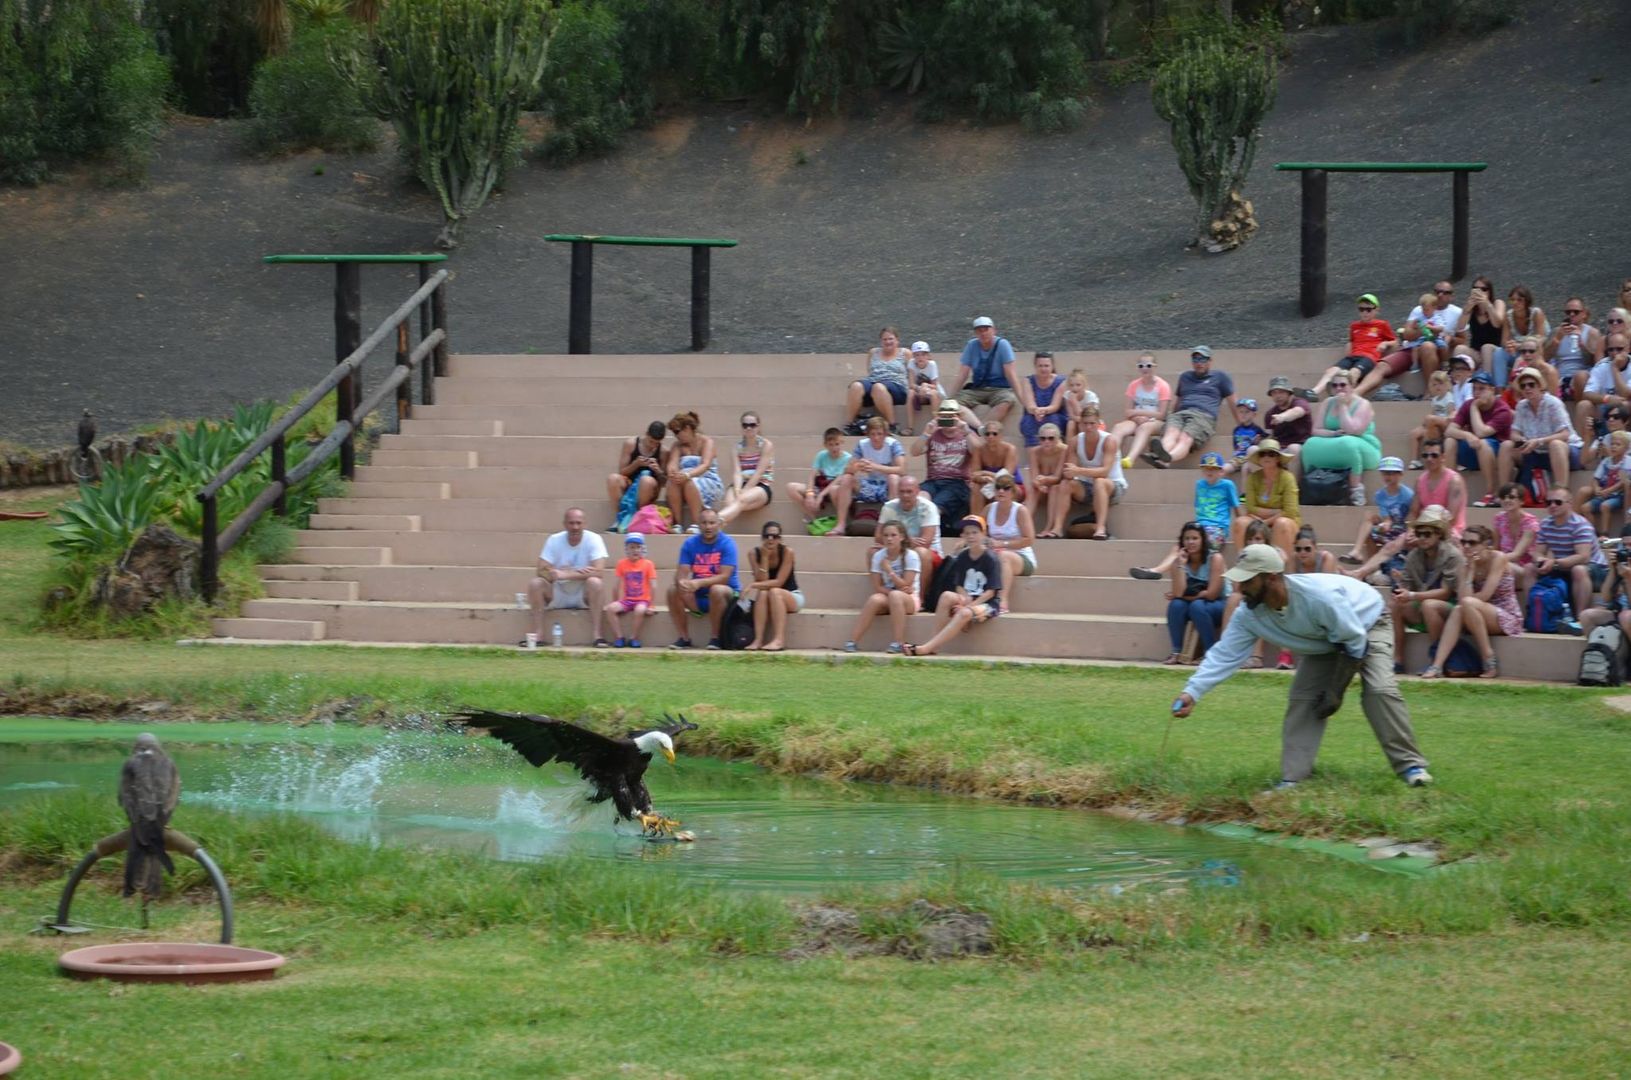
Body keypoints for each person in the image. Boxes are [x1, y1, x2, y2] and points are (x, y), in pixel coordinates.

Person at [1171, 544, 1433, 790]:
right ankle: (1293, 780)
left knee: (1379, 690)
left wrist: (1335, 692)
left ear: (1272, 577)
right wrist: (1191, 692)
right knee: (1303, 698)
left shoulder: (1318, 598)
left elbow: (1355, 644)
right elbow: (1225, 654)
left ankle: (1411, 767)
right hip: (1325, 638)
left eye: (1248, 580)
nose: (1241, 587)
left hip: (1367, 623)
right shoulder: (1248, 613)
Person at [1419, 524, 1520, 679]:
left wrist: (1467, 600)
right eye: (1463, 542)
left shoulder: (1498, 558)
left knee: (1465, 604)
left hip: (1505, 614)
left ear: (1486, 544)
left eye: (1472, 543)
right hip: (1472, 610)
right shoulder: (1465, 565)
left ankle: (1488, 657)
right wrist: (1470, 572)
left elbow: (1485, 595)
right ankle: (1438, 664)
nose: (1466, 546)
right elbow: (1461, 601)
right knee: (1431, 605)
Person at [902, 515, 1002, 657]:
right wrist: (964, 598)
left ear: (983, 534)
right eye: (967, 533)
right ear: (962, 535)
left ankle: (926, 648)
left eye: (975, 532)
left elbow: (991, 592)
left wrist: (969, 606)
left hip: (987, 603)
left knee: (964, 613)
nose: (971, 536)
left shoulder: (991, 558)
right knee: (946, 596)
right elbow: (959, 585)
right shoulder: (962, 556)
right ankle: (935, 644)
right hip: (969, 598)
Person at [1130, 451, 1238, 580]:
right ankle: (1156, 571)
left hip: (1217, 528)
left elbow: (1236, 506)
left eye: (1214, 468)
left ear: (1221, 471)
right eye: (1206, 468)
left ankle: (1224, 581)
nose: (1210, 471)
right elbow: (1199, 508)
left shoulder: (1227, 485)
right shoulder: (1200, 484)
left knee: (1202, 547)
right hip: (1200, 527)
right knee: (1179, 545)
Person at [526, 506, 608, 648]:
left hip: (583, 593)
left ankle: (597, 636)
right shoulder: (554, 540)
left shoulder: (594, 539)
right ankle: (538, 635)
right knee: (535, 584)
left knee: (596, 583)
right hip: (558, 591)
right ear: (564, 524)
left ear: (585, 524)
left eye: (578, 523)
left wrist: (565, 574)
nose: (575, 527)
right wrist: (554, 573)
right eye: (571, 523)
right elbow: (540, 569)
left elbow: (599, 572)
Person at [1143, 346, 1235, 469]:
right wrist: (1169, 418)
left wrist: (1242, 424)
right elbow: (1178, 401)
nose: (1199, 363)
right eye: (1195, 359)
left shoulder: (1220, 377)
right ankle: (1161, 456)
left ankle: (1167, 458)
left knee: (1185, 437)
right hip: (1181, 413)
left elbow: (1233, 402)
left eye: (1202, 359)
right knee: (1171, 432)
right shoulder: (1185, 377)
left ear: (1210, 361)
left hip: (1203, 415)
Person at [1300, 374, 1381, 507]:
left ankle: (1355, 489)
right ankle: (1312, 484)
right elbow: (1316, 430)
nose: (1339, 388)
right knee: (1309, 444)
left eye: (1343, 385)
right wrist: (1333, 433)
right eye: (1335, 385)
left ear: (1352, 386)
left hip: (1364, 444)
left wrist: (1342, 406)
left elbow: (1353, 430)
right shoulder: (1327, 403)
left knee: (1348, 443)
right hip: (1336, 440)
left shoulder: (1363, 404)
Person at [1533, 486, 1609, 628]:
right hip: (1564, 566)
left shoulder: (1581, 524)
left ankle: (1579, 620)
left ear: (1570, 503)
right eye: (1548, 502)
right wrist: (1540, 560)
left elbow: (1584, 557)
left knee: (1579, 570)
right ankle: (1535, 615)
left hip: (1597, 570)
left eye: (1558, 502)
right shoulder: (1545, 524)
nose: (1552, 505)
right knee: (1529, 569)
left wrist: (1554, 562)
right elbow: (1538, 552)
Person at [666, 508, 739, 650]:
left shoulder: (728, 543)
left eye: (712, 523)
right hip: (698, 596)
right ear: (698, 525)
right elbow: (682, 571)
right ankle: (684, 638)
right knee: (672, 590)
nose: (708, 527)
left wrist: (698, 583)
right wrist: (681, 582)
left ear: (719, 524)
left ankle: (716, 638)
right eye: (704, 523)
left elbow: (725, 577)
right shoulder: (690, 544)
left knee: (716, 590)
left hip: (726, 594)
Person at [1499, 369, 1582, 494]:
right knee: (1506, 445)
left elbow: (1565, 434)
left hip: (1568, 451)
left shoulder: (1553, 403)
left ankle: (1561, 493)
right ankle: (1504, 493)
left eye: (1531, 384)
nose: (1527, 388)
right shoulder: (1521, 406)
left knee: (1556, 444)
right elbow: (1514, 433)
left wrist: (1539, 441)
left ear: (1540, 386)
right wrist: (1521, 441)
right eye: (1523, 386)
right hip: (1536, 453)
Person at [844, 521, 921, 654]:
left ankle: (899, 642)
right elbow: (878, 586)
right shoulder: (879, 556)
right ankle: (853, 641)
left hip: (909, 599)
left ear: (902, 537)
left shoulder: (911, 556)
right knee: (875, 599)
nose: (889, 539)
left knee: (896, 596)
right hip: (889, 594)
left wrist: (889, 571)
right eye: (886, 535)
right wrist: (892, 592)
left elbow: (907, 585)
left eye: (893, 535)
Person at [1053, 404, 1124, 541]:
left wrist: (1078, 470)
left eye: (1092, 423)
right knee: (1065, 484)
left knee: (1100, 482)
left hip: (1113, 486)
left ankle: (1100, 528)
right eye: (1085, 424)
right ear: (1080, 424)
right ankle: (1057, 528)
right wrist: (1069, 472)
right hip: (1088, 486)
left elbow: (1104, 471)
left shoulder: (1109, 441)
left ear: (1099, 423)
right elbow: (1070, 472)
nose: (1089, 427)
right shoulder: (1075, 441)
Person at [1162, 521, 1228, 665]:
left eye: (1195, 538)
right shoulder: (1178, 562)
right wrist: (1181, 565)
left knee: (1196, 606)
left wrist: (1189, 596)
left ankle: (1210, 653)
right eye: (1187, 538)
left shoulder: (1215, 558)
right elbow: (1178, 595)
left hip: (1220, 605)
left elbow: (1212, 594)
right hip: (1197, 604)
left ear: (1203, 540)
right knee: (1176, 605)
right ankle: (1176, 652)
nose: (1191, 542)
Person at [1311, 292, 1399, 398]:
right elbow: (1352, 342)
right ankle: (1314, 392)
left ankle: (1346, 395)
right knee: (1332, 371)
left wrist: (1385, 343)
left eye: (1368, 309)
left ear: (1376, 310)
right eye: (1361, 309)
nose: (1365, 313)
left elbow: (1395, 341)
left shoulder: (1381, 325)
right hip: (1353, 356)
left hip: (1369, 356)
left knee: (1354, 372)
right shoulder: (1354, 326)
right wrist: (1348, 352)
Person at [914, 400, 983, 533]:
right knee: (920, 500)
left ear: (959, 417)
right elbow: (914, 451)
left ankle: (928, 538)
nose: (948, 420)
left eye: (952, 416)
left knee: (934, 507)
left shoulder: (966, 433)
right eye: (944, 416)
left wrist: (966, 431)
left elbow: (978, 451)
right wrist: (926, 434)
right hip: (932, 481)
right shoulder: (933, 433)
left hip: (957, 482)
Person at [876, 475, 943, 602]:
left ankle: (919, 598)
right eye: (902, 491)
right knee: (873, 551)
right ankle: (884, 593)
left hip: (930, 553)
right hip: (899, 549)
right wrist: (908, 541)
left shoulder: (928, 507)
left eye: (909, 491)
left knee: (920, 552)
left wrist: (900, 541)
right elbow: (878, 537)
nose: (905, 495)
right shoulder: (889, 507)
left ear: (917, 491)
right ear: (897, 492)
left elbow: (925, 542)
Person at [1451, 374, 1514, 506]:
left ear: (1492, 390)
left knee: (1483, 443)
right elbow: (1449, 430)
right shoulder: (1467, 404)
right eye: (1474, 389)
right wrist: (1467, 435)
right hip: (1473, 450)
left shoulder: (1502, 409)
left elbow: (1482, 433)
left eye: (1482, 389)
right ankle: (1449, 489)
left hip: (1495, 453)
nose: (1477, 393)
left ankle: (1490, 492)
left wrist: (1474, 408)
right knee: (1449, 441)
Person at [1341, 456, 1413, 568]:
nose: (1388, 476)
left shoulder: (1408, 495)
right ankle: (1358, 552)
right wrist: (1384, 524)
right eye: (1385, 473)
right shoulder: (1380, 495)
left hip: (1403, 529)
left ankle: (1372, 565)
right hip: (1390, 527)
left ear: (1400, 474)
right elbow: (1386, 518)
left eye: (1392, 473)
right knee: (1368, 519)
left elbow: (1411, 517)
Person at [1231, 439, 1299, 556]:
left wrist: (1266, 522)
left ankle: (1282, 569)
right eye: (1263, 454)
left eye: (1271, 454)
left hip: (1283, 522)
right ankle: (1244, 564)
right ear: (1259, 459)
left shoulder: (1288, 478)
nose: (1266, 457)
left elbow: (1290, 511)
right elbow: (1250, 507)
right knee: (1240, 522)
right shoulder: (1253, 478)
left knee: (1281, 523)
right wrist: (1276, 511)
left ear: (1277, 458)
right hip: (1257, 519)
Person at [951, 316, 1020, 424]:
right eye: (979, 330)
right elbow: (962, 375)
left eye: (986, 329)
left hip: (999, 389)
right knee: (954, 404)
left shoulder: (1003, 344)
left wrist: (1021, 397)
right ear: (975, 333)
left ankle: (986, 427)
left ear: (994, 330)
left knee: (1008, 399)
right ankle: (980, 428)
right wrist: (949, 398)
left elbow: (1010, 374)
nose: (983, 333)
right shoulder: (971, 345)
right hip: (978, 388)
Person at [744, 521, 800, 652]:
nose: (770, 539)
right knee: (763, 593)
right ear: (762, 537)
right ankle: (758, 640)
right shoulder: (753, 553)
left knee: (774, 591)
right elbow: (762, 580)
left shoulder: (787, 552)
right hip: (769, 597)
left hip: (792, 595)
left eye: (774, 536)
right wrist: (764, 557)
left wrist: (753, 585)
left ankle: (779, 640)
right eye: (767, 536)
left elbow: (779, 582)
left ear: (780, 539)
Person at [984, 474, 1038, 609]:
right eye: (998, 487)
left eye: (1006, 488)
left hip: (1022, 557)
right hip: (994, 555)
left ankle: (1002, 600)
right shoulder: (989, 509)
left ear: (1013, 492)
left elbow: (1029, 539)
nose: (1001, 491)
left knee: (1004, 556)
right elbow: (978, 530)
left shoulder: (1020, 511)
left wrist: (1003, 544)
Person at [786, 427, 854, 532]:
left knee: (834, 489)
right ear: (825, 445)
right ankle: (813, 519)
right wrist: (810, 494)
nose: (834, 448)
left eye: (837, 444)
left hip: (835, 487)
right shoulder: (821, 455)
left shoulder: (848, 458)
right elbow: (812, 475)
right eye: (830, 445)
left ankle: (841, 521)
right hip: (821, 484)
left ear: (842, 442)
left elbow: (838, 479)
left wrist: (821, 496)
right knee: (791, 487)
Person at [664, 411, 722, 534]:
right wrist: (672, 472)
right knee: (672, 482)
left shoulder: (707, 442)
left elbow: (705, 464)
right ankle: (677, 523)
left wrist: (688, 475)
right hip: (684, 479)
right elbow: (673, 463)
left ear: (688, 428)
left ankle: (696, 523)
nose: (676, 435)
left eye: (677, 431)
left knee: (690, 483)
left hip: (706, 478)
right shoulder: (677, 446)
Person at [845, 326, 910, 433]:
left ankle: (892, 425)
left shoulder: (905, 353)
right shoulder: (873, 352)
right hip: (873, 382)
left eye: (891, 339)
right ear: (881, 341)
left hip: (897, 386)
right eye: (885, 339)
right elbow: (869, 371)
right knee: (856, 386)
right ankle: (849, 425)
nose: (887, 342)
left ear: (897, 340)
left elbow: (913, 372)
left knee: (878, 387)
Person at [1111, 354, 1171, 468]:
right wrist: (1137, 418)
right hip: (1135, 419)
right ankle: (1109, 459)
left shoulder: (1163, 386)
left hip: (1156, 422)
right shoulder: (1133, 385)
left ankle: (1130, 459)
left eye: (1148, 365)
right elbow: (1128, 412)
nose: (1144, 368)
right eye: (1141, 365)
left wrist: (1139, 414)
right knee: (1118, 428)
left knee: (1145, 427)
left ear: (1155, 366)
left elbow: (1161, 414)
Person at [606, 421, 667, 531]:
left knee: (646, 480)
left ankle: (639, 518)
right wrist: (636, 464)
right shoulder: (631, 444)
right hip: (630, 483)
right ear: (646, 434)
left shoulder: (663, 451)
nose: (653, 445)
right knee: (612, 478)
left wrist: (658, 471)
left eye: (656, 443)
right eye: (651, 441)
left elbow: (664, 483)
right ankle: (620, 518)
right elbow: (622, 472)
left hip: (649, 488)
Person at [717, 411, 775, 526]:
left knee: (740, 501)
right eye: (745, 425)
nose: (749, 428)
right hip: (740, 483)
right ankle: (716, 526)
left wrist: (743, 492)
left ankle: (713, 522)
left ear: (758, 426)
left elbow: (759, 472)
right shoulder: (736, 448)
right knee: (730, 503)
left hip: (761, 485)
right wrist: (738, 490)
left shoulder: (766, 445)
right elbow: (737, 472)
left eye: (752, 425)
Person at [603, 532, 656, 648]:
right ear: (626, 549)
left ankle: (634, 637)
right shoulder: (621, 564)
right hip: (627, 600)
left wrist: (651, 605)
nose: (635, 550)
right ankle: (619, 637)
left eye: (638, 547)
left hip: (642, 600)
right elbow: (616, 585)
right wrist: (616, 601)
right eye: (632, 547)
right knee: (611, 609)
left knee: (639, 610)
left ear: (643, 549)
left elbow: (653, 586)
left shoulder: (648, 564)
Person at [1407, 438, 1467, 538]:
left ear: (1443, 457)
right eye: (1425, 455)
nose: (1429, 459)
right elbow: (1413, 512)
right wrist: (1410, 531)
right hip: (1424, 531)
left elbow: (1451, 517)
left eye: (1434, 455)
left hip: (1449, 531)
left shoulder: (1454, 481)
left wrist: (1428, 535)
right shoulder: (1420, 480)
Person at [1544, 298, 1601, 401]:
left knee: (1580, 377)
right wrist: (1557, 340)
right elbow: (1545, 357)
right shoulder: (1557, 331)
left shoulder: (1592, 333)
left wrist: (1581, 342)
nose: (1571, 314)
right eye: (1568, 312)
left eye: (1576, 312)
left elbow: (1593, 362)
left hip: (1582, 375)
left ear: (1584, 314)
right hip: (1559, 375)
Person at [1580, 524, 1631, 639]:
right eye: (1625, 545)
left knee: (1626, 616)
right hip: (1620, 612)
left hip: (1627, 615)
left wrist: (1628, 579)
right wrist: (1613, 569)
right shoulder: (1621, 562)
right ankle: (1600, 653)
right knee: (1586, 616)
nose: (1628, 549)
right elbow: (1606, 597)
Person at [1491, 482, 1541, 598]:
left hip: (1526, 568)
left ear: (1522, 501)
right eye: (1503, 497)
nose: (1507, 500)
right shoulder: (1498, 518)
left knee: (1503, 567)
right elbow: (1496, 546)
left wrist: (1493, 559)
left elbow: (1518, 554)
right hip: (1505, 563)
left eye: (1512, 497)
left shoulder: (1530, 522)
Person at [1577, 429, 1630, 536]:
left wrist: (1609, 490)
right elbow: (1596, 477)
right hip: (1604, 494)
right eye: (1612, 444)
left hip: (1618, 495)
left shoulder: (1628, 461)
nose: (1614, 446)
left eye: (1618, 444)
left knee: (1605, 506)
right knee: (1584, 508)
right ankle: (1592, 532)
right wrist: (1596, 488)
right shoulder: (1606, 461)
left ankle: (1605, 533)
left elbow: (1623, 482)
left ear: (1625, 448)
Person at [1576, 332, 1631, 436]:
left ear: (1628, 349)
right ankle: (1581, 446)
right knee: (1584, 405)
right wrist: (1606, 398)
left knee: (1626, 404)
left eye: (1619, 349)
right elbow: (1587, 393)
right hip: (1604, 409)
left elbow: (1625, 394)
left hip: (1625, 411)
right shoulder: (1602, 365)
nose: (1615, 353)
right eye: (1611, 349)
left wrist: (1615, 368)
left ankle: (1624, 443)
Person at [1494, 285, 1549, 387]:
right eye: (1512, 300)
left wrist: (1520, 345)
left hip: (1534, 351)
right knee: (1498, 352)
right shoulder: (1508, 315)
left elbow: (1541, 337)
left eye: (1519, 300)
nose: (1515, 303)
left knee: (1525, 355)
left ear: (1527, 301)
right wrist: (1509, 345)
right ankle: (1499, 388)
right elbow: (1503, 341)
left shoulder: (1536, 313)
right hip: (1516, 351)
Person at [848, 415, 907, 508]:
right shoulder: (862, 444)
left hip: (888, 486)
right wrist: (859, 465)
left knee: (894, 478)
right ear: (868, 434)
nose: (876, 438)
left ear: (885, 434)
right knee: (847, 478)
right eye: (873, 434)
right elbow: (848, 469)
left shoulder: (893, 444)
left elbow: (902, 470)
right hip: (870, 484)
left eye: (879, 434)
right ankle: (843, 519)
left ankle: (893, 516)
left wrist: (876, 467)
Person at [968, 419, 1022, 515]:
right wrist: (984, 478)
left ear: (1001, 435)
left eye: (994, 434)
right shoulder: (979, 450)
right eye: (987, 434)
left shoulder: (1010, 449)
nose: (991, 436)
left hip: (1012, 485)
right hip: (988, 484)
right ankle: (977, 523)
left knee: (1005, 489)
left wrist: (985, 473)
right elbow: (974, 474)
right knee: (976, 487)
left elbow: (1006, 477)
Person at [1455, 276, 1506, 374]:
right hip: (1477, 352)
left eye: (1483, 289)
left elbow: (1497, 323)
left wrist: (1487, 304)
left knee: (1486, 348)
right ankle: (1458, 383)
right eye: (1475, 289)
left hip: (1495, 351)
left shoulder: (1497, 303)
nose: (1479, 292)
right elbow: (1460, 327)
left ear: (1489, 291)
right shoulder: (1472, 308)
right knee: (1459, 348)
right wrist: (1467, 309)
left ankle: (1486, 381)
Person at [1026, 422, 1070, 538]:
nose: (1046, 441)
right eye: (1043, 438)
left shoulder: (1064, 450)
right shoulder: (1034, 451)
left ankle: (1049, 527)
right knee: (1033, 489)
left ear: (1058, 438)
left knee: (1055, 488)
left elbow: (1057, 477)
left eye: (1051, 438)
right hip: (1043, 488)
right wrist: (1039, 484)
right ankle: (1024, 526)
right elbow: (1034, 476)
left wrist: (1044, 479)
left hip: (1059, 488)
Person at [1018, 351, 1070, 448]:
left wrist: (1043, 411)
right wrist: (1035, 410)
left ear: (1052, 366)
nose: (1043, 369)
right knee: (1029, 421)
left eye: (1046, 366)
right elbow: (1029, 405)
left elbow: (1055, 406)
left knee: (1053, 419)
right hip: (1034, 414)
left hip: (1054, 413)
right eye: (1040, 366)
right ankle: (1033, 457)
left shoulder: (1061, 381)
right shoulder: (1027, 381)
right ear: (1035, 366)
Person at [1408, 370, 1456, 469]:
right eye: (1434, 384)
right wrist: (1424, 425)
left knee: (1430, 419)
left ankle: (1428, 451)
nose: (1438, 387)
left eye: (1440, 384)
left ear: (1447, 385)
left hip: (1445, 424)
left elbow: (1451, 415)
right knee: (1414, 433)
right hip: (1434, 422)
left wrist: (1432, 419)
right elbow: (1433, 413)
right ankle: (1415, 460)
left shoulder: (1449, 398)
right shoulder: (1435, 400)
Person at [1262, 376, 1313, 460]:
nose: (1277, 396)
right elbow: (1270, 436)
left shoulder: (1300, 402)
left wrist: (1282, 417)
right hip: (1279, 449)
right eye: (1274, 393)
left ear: (1289, 393)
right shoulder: (1270, 414)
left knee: (1293, 448)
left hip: (1301, 446)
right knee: (1253, 450)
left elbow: (1297, 412)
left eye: (1281, 392)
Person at [1222, 397, 1267, 475]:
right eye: (1241, 412)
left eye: (1247, 412)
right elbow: (1235, 446)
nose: (1243, 414)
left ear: (1254, 415)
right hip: (1238, 458)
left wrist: (1257, 442)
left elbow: (1264, 441)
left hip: (1251, 458)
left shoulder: (1257, 429)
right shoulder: (1236, 430)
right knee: (1224, 469)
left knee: (1245, 468)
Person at [906, 341, 943, 427]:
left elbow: (935, 385)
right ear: (913, 356)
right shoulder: (911, 363)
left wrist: (926, 386)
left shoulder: (932, 365)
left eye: (923, 354)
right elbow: (911, 384)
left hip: (930, 392)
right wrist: (919, 388)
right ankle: (910, 427)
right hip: (918, 392)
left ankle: (936, 424)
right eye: (917, 355)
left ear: (928, 356)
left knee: (933, 393)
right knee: (910, 393)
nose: (920, 357)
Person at [1060, 368, 1101, 442]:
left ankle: (1084, 446)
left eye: (1078, 385)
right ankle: (1069, 448)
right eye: (1071, 385)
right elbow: (1071, 416)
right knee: (1071, 424)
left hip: (1092, 422)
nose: (1075, 388)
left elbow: (1087, 416)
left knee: (1082, 425)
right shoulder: (1067, 395)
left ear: (1084, 385)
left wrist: (1074, 402)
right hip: (1076, 420)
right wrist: (1079, 419)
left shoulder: (1090, 397)